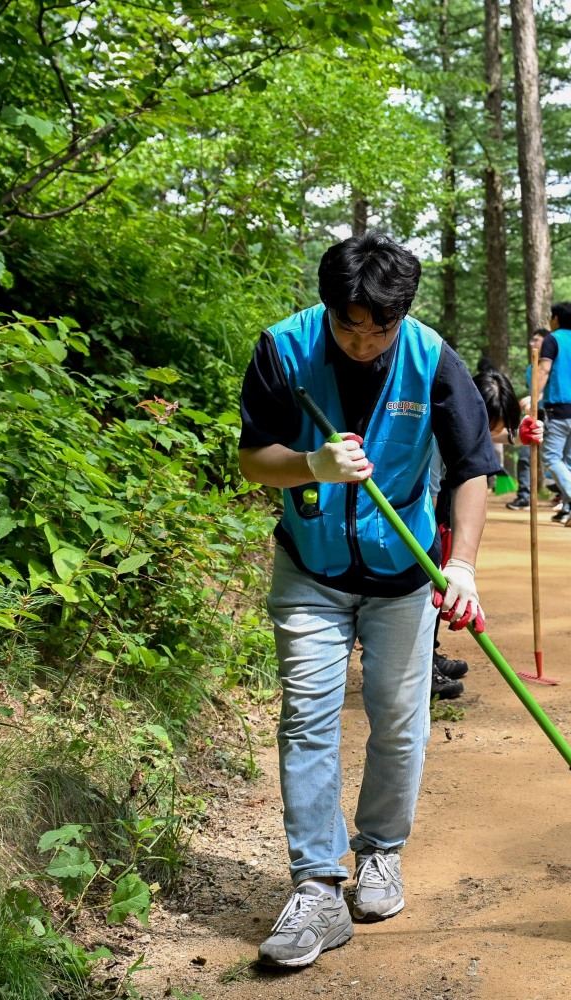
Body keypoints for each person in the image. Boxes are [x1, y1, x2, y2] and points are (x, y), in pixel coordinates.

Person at [237, 232, 502, 968]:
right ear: (327, 308)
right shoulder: (283, 350)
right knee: (308, 717)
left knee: (398, 718)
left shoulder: (431, 359)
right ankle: (317, 887)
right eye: (345, 323)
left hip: (404, 575)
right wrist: (310, 463)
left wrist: (465, 567)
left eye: (376, 327)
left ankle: (381, 852)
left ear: (400, 316)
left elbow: (475, 466)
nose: (360, 340)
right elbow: (251, 457)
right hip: (311, 569)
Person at [428, 361, 544, 697]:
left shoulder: (467, 422)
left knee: (442, 588)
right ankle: (421, 668)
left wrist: (518, 437)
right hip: (435, 517)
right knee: (432, 589)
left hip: (448, 520)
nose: (495, 433)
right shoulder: (437, 432)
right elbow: (432, 491)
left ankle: (429, 654)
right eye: (493, 425)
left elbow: (482, 438)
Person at [532, 302, 571, 527]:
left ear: (556, 318)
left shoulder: (553, 339)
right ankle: (569, 507)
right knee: (569, 459)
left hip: (558, 408)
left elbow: (544, 369)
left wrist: (533, 396)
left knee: (550, 456)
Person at [505, 328, 547, 511]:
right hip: (534, 413)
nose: (532, 343)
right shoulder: (531, 367)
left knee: (554, 457)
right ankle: (524, 495)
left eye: (536, 340)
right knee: (524, 455)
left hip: (549, 413)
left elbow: (548, 388)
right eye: (531, 339)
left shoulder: (549, 365)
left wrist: (535, 398)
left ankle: (568, 497)